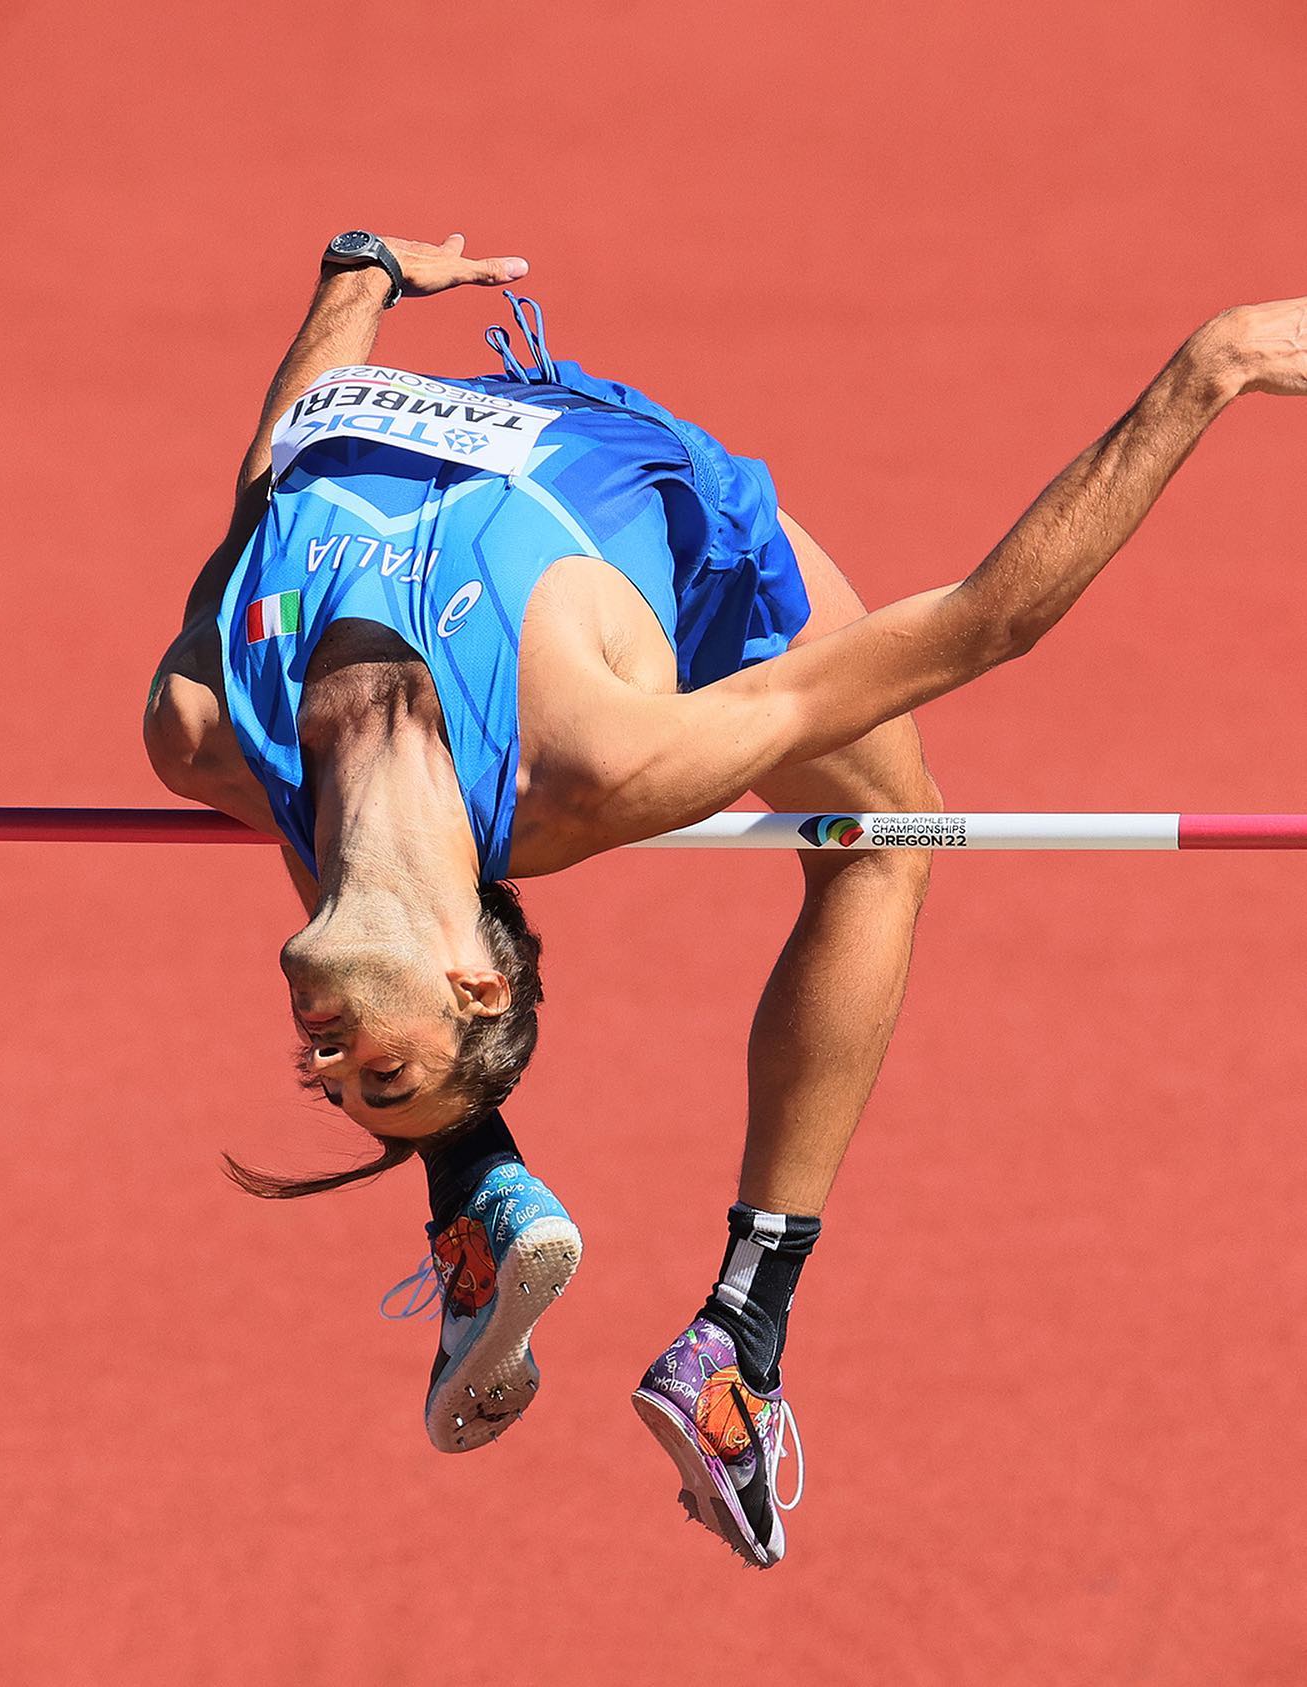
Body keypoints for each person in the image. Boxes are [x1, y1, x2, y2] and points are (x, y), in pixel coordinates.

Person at [144, 228, 1307, 1568]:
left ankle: (473, 1180)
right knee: (882, 838)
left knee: (335, 814)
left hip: (451, 438)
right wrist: (1209, 369)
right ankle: (742, 1322)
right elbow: (981, 623)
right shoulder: (602, 760)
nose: (322, 1055)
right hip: (669, 531)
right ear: (478, 977)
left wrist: (355, 279)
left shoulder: (203, 727)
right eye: (378, 1075)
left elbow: (276, 478)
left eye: (324, 1072)